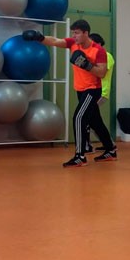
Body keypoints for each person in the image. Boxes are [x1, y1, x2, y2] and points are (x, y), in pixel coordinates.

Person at [23, 20, 116, 167]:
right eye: (73, 32)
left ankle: (80, 156)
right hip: (80, 89)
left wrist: (86, 65)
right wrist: (39, 37)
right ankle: (110, 150)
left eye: (77, 33)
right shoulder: (73, 43)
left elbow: (102, 72)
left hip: (92, 90)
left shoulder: (98, 50)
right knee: (95, 121)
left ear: (86, 33)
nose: (74, 35)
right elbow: (55, 41)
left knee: (79, 117)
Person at [83, 32, 115, 154]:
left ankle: (90, 146)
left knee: (87, 118)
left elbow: (101, 71)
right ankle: (109, 144)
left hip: (101, 92)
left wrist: (86, 63)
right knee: (93, 119)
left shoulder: (107, 55)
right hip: (94, 90)